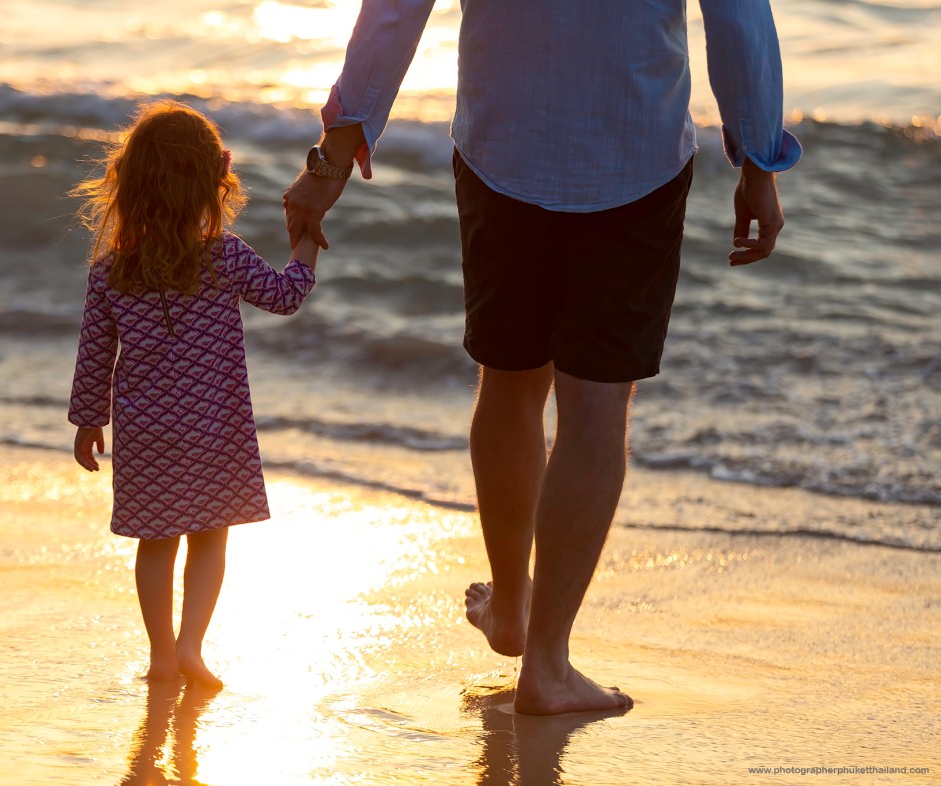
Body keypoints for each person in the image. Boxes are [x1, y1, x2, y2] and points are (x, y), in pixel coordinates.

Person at [284, 0, 801, 715]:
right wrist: (759, 157)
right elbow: (738, 17)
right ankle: (547, 664)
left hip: (505, 148)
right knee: (595, 407)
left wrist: (333, 153)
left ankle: (511, 611)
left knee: (509, 381)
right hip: (636, 154)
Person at [69, 101, 320, 689]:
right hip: (215, 429)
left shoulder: (113, 270)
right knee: (210, 538)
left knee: (156, 546)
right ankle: (190, 649)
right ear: (215, 180)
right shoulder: (224, 256)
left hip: (145, 434)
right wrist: (306, 240)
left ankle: (161, 655)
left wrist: (87, 421)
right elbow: (286, 296)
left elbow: (94, 354)